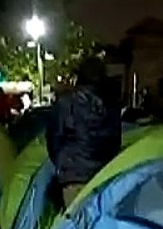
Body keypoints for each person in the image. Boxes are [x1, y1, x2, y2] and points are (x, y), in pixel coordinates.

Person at [45, 57, 122, 207]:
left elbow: (53, 139)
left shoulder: (66, 103)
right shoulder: (111, 106)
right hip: (103, 176)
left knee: (76, 224)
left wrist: (64, 164)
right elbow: (115, 142)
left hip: (73, 176)